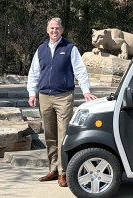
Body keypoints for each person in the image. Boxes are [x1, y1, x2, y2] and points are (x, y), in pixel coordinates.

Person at [27, 17, 97, 187]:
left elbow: (80, 70)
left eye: (57, 28)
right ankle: (52, 169)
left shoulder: (70, 48)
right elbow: (34, 72)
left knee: (63, 135)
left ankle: (63, 172)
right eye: (51, 28)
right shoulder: (41, 49)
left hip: (64, 96)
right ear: (47, 30)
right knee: (50, 136)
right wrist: (32, 93)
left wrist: (86, 91)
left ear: (62, 30)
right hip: (44, 96)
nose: (54, 31)